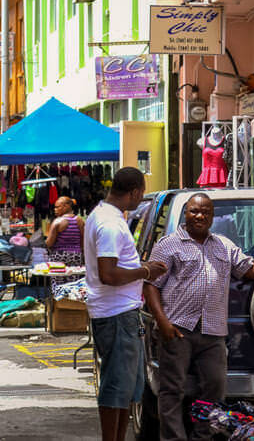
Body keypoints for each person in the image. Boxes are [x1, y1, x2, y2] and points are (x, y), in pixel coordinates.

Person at [144, 193, 254, 441]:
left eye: (206, 212)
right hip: (177, 329)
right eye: (195, 211)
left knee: (214, 390)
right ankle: (173, 438)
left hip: (214, 331)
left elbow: (249, 270)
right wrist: (162, 321)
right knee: (172, 391)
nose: (200, 216)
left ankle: (201, 436)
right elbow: (151, 284)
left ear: (213, 216)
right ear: (186, 213)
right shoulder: (168, 244)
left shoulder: (223, 245)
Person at [83, 167, 167, 441]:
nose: (140, 200)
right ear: (134, 192)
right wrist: (145, 272)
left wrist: (141, 267)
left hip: (121, 311)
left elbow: (116, 267)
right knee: (117, 386)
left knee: (126, 387)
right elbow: (108, 274)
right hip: (116, 313)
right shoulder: (109, 223)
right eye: (140, 194)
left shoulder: (105, 215)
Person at [45, 196, 84, 290]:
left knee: (58, 284)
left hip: (59, 256)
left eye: (58, 207)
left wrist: (45, 242)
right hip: (76, 255)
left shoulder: (57, 222)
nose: (55, 210)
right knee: (74, 283)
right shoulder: (79, 220)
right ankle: (71, 303)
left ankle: (59, 302)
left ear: (67, 206)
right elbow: (83, 240)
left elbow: (49, 243)